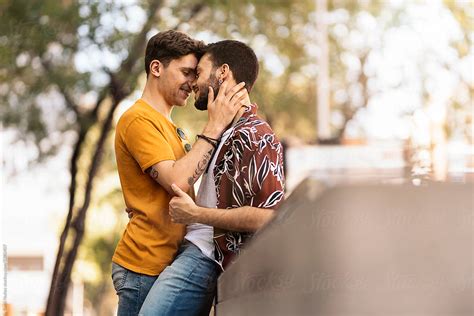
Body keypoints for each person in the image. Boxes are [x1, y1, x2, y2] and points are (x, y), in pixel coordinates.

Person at [138, 40, 285, 315]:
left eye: (200, 72)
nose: (193, 82)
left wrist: (195, 214)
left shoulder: (256, 135)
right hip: (198, 254)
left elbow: (267, 218)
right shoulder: (223, 133)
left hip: (204, 257)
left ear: (223, 73)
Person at [111, 30, 246, 315]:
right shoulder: (138, 119)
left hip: (168, 260)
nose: (193, 82)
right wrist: (213, 126)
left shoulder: (171, 126)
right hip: (143, 265)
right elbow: (177, 182)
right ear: (156, 68)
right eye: (186, 72)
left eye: (195, 74)